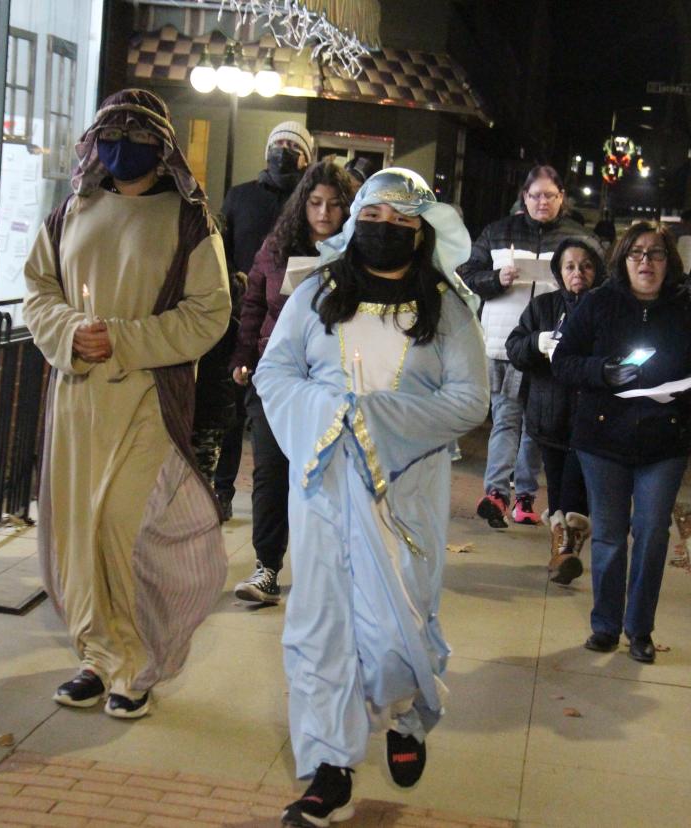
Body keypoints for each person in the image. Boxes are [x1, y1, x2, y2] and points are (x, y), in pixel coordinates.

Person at [254, 169, 488, 826]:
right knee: (322, 623)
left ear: (423, 232)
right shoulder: (318, 292)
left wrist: (379, 420)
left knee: (398, 623)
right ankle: (329, 765)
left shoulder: (446, 308)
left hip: (405, 492)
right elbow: (276, 371)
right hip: (326, 488)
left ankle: (405, 716)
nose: (386, 232)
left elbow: (470, 399)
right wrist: (333, 413)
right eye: (375, 219)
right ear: (358, 223)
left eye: (402, 223)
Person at [23, 89, 231, 718]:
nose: (122, 147)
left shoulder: (190, 222)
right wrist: (67, 332)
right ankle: (95, 655)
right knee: (79, 531)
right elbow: (38, 289)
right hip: (77, 398)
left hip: (146, 397)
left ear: (161, 148)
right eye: (110, 134)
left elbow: (208, 312)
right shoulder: (70, 212)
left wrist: (121, 338)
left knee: (121, 525)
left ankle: (137, 662)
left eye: (137, 135)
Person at [552, 222, 691, 664]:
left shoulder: (687, 310)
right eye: (637, 254)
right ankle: (606, 626)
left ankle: (639, 629)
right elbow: (565, 362)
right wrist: (602, 373)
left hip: (663, 439)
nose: (646, 262)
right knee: (609, 534)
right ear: (623, 260)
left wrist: (685, 393)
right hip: (603, 437)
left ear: (670, 262)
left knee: (651, 533)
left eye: (656, 254)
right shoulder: (598, 304)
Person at [230, 160, 358, 605]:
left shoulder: (357, 250)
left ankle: (329, 569)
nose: (324, 213)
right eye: (316, 203)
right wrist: (244, 354)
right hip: (276, 374)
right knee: (270, 468)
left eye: (335, 205)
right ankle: (267, 566)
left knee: (327, 473)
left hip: (331, 379)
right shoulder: (277, 245)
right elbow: (252, 302)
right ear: (302, 204)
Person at [458, 166, 599, 529]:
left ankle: (524, 496)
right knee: (505, 418)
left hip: (552, 349)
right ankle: (495, 493)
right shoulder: (498, 231)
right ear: (524, 197)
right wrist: (495, 278)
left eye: (549, 195)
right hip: (504, 344)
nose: (542, 202)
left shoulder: (577, 238)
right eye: (535, 195)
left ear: (561, 198)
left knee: (537, 426)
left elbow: (599, 281)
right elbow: (468, 273)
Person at [209, 122, 316, 520]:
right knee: (232, 414)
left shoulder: (309, 205)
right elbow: (223, 246)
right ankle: (222, 491)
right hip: (242, 318)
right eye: (278, 144)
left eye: (293, 145)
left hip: (295, 326)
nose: (283, 150)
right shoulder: (241, 197)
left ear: (307, 156)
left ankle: (288, 499)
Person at [505, 239, 604, 585]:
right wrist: (538, 342)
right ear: (559, 272)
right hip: (550, 414)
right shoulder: (542, 306)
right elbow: (515, 347)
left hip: (591, 418)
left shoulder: (606, 308)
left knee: (577, 487)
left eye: (586, 266)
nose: (578, 273)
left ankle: (567, 549)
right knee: (558, 485)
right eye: (570, 266)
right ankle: (561, 550)